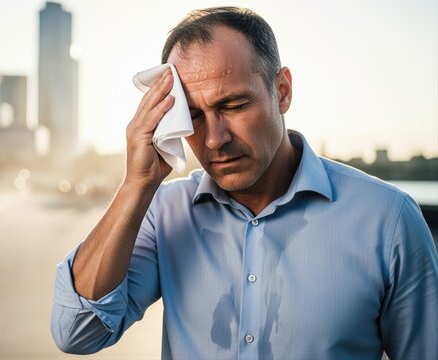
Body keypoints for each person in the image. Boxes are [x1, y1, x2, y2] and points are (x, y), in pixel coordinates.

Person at [50, 6, 438, 359]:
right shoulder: (163, 213)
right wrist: (136, 185)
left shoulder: (387, 220)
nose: (215, 139)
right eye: (195, 117)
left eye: (233, 106)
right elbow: (76, 332)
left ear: (282, 91)